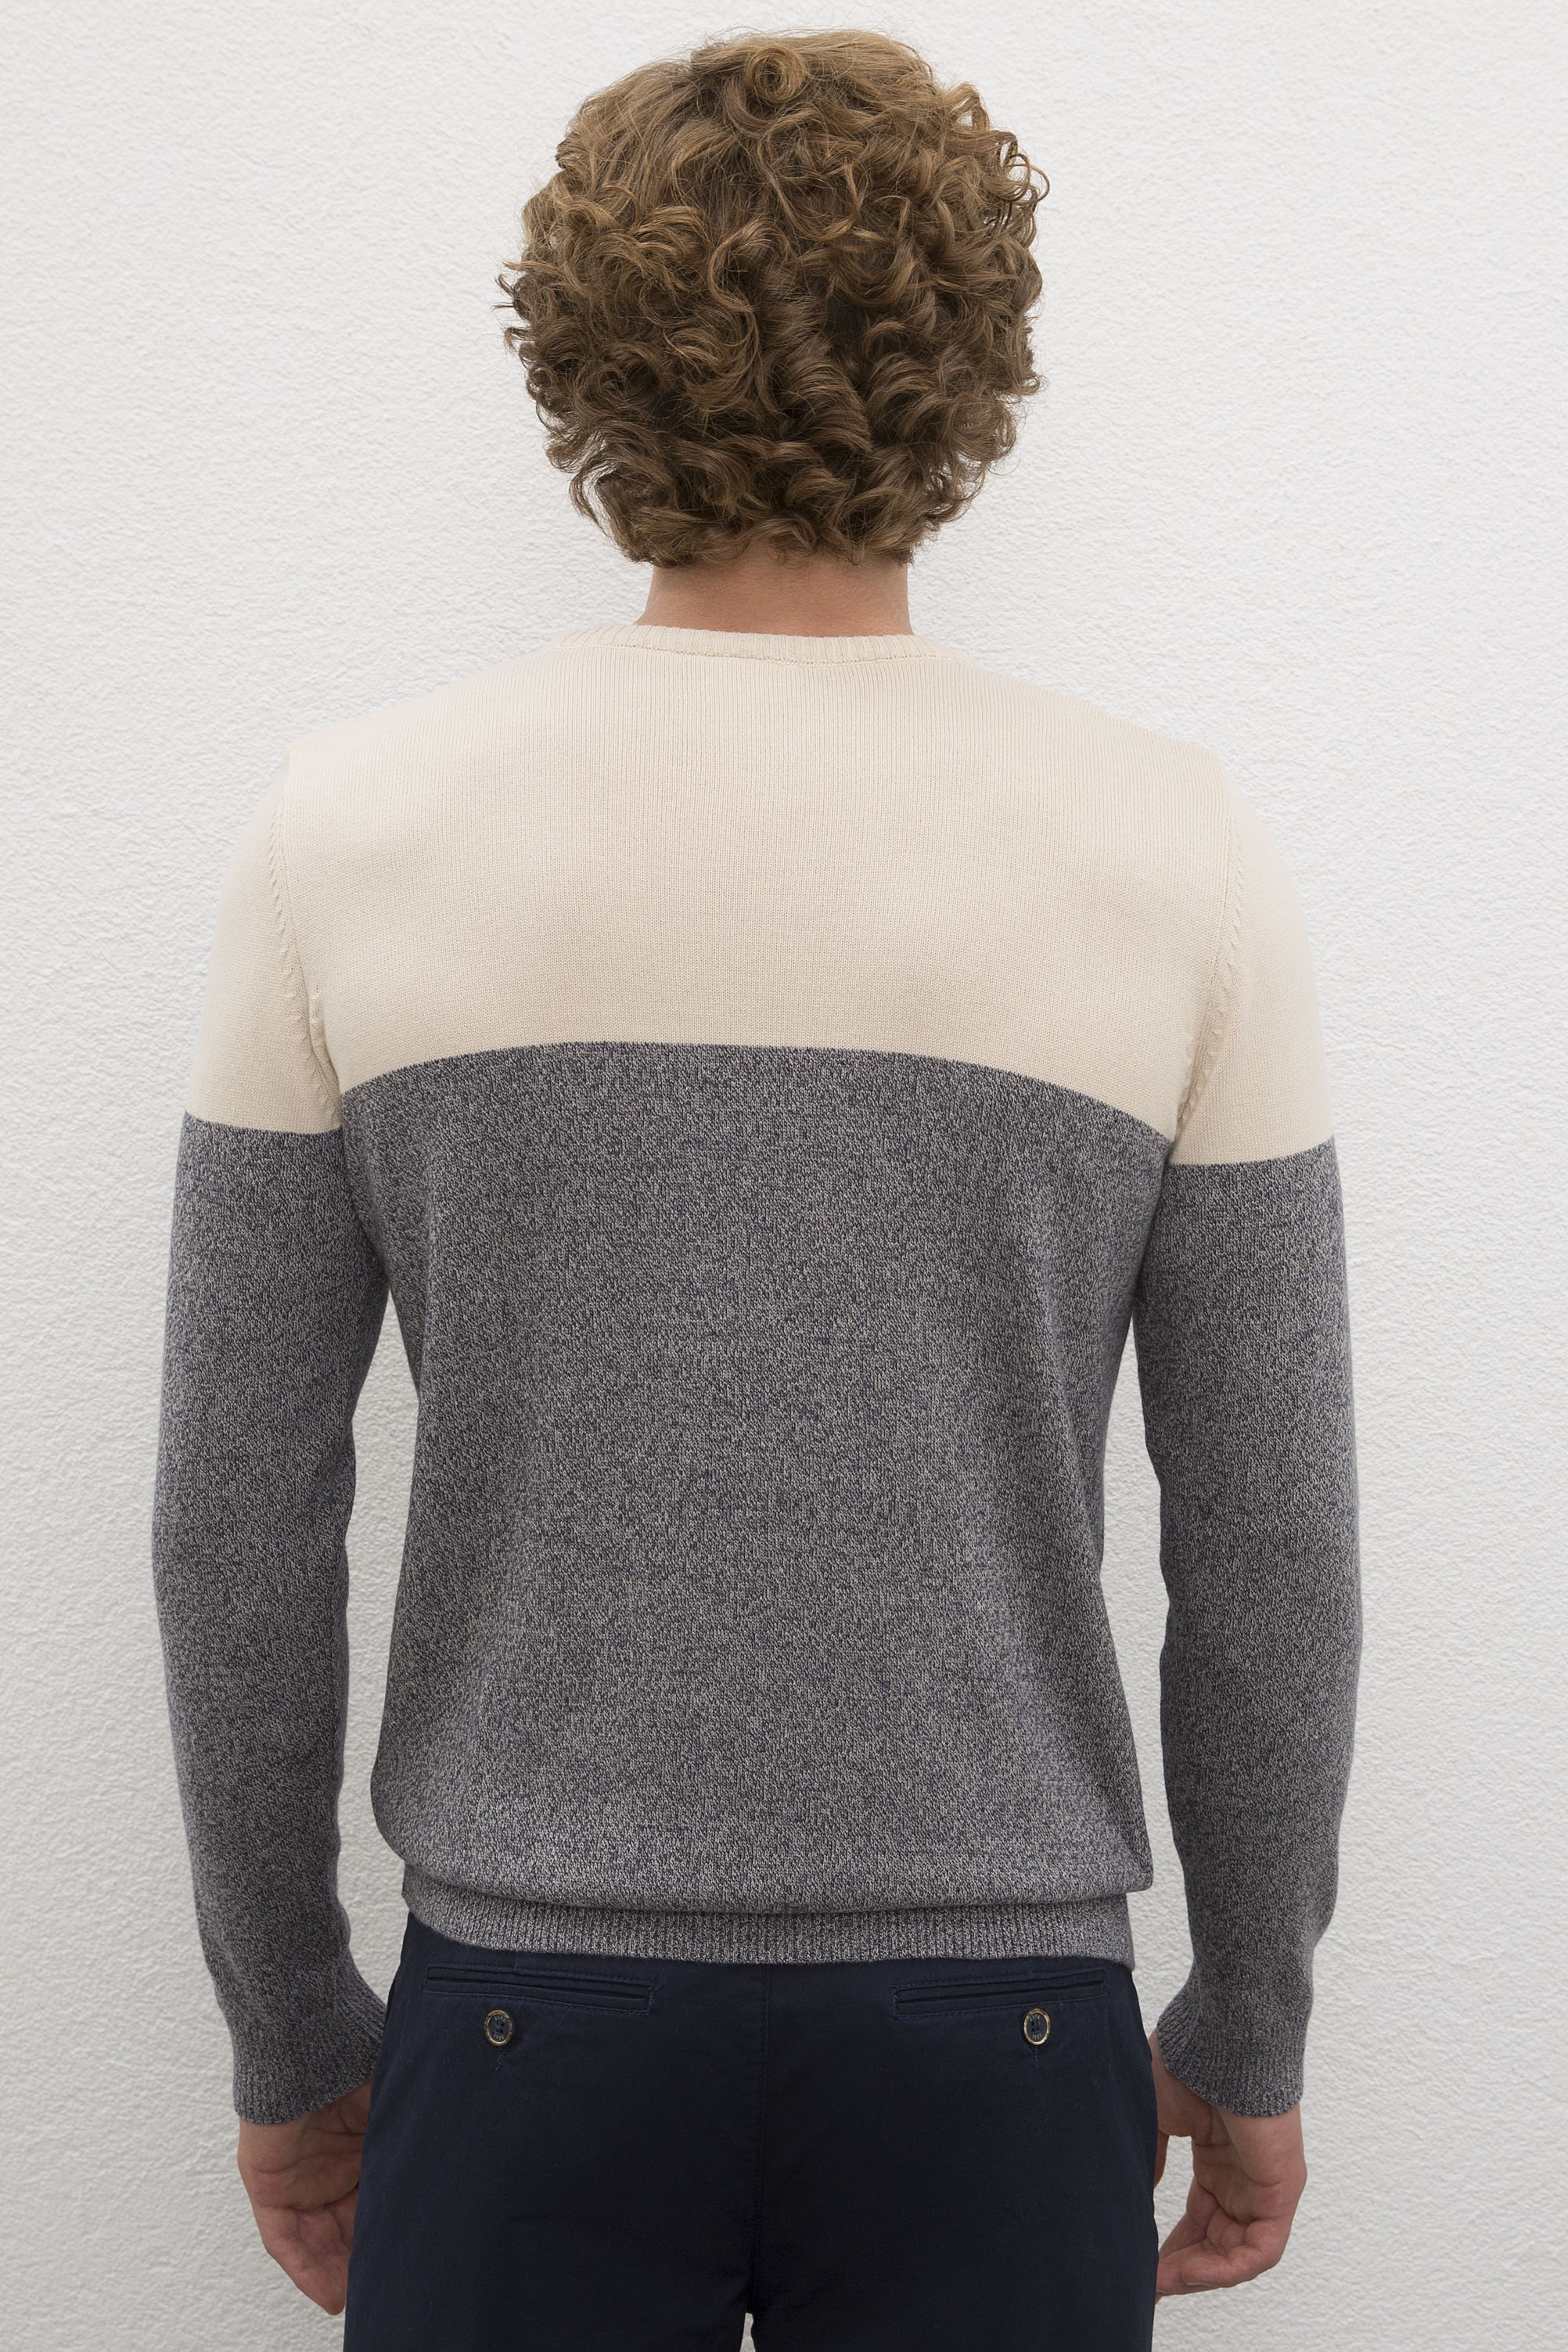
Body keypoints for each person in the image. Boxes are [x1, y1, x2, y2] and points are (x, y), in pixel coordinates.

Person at [151, 29, 1360, 2351]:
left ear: (580, 356)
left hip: (522, 2015)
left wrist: (293, 2037)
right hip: (1003, 2025)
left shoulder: (346, 832)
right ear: (973, 359)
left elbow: (233, 1520)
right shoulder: (1174, 850)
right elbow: (1274, 1542)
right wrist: (1254, 2018)